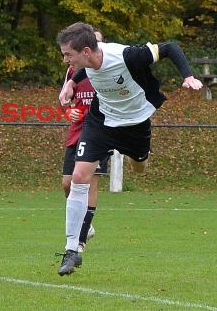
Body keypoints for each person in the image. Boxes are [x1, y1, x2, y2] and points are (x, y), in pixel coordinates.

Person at [56, 22, 202, 276]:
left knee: (140, 168)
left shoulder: (126, 55)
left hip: (135, 123)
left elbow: (170, 47)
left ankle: (140, 155)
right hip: (101, 121)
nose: (65, 60)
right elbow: (85, 72)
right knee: (78, 178)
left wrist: (188, 76)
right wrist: (70, 84)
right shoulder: (85, 63)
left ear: (87, 51)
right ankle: (72, 250)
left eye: (68, 55)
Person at [60, 28, 108, 254]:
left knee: (90, 183)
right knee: (67, 183)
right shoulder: (73, 72)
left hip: (98, 134)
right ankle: (82, 222)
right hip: (76, 131)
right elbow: (65, 102)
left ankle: (80, 238)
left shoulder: (107, 69)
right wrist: (69, 112)